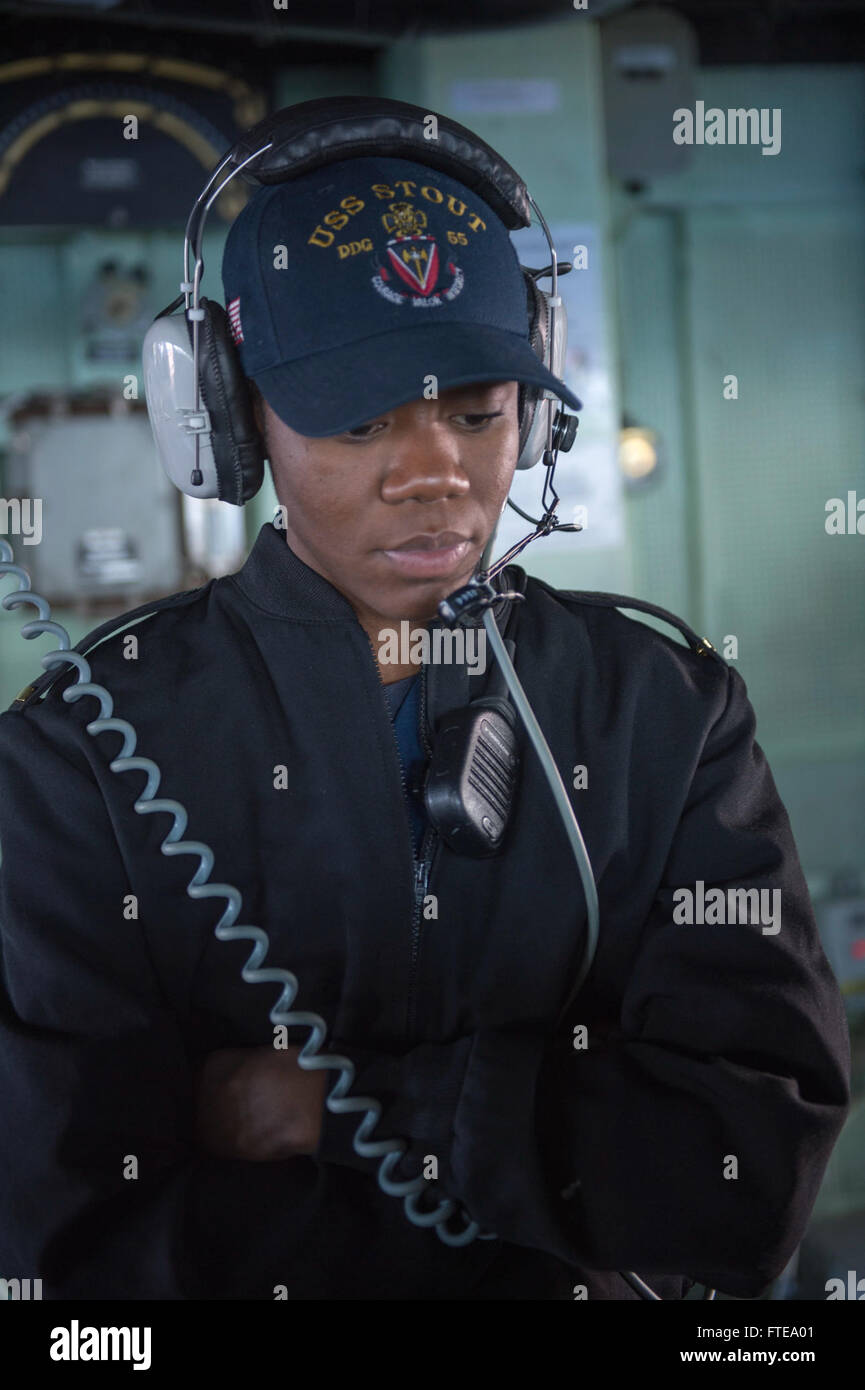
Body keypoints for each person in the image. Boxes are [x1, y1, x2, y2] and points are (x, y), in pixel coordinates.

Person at [0, 148, 850, 1302]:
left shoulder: (663, 710)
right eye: (360, 422)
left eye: (476, 410)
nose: (435, 471)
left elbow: (743, 1168)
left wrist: (331, 1108)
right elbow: (68, 1241)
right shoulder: (81, 753)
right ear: (227, 417)